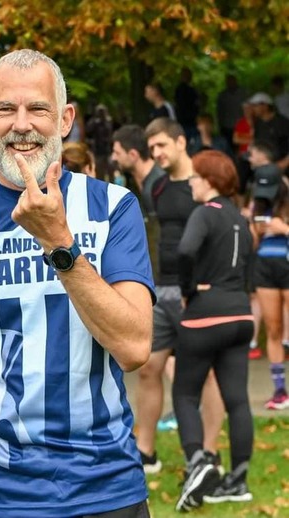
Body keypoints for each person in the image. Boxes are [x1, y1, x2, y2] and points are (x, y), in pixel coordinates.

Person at [0, 48, 154, 518]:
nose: (22, 124)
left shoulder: (113, 207)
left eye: (38, 108)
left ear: (65, 120)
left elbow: (135, 345)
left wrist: (60, 242)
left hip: (104, 489)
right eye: (6, 109)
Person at [136, 118, 225, 475]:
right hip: (162, 290)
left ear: (181, 142)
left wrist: (211, 284)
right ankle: (145, 452)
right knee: (148, 368)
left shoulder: (204, 184)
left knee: (205, 375)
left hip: (197, 293)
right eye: (151, 148)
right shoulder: (158, 188)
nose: (156, 153)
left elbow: (222, 233)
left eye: (161, 146)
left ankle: (209, 454)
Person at [172, 151, 254, 512]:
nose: (190, 182)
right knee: (238, 399)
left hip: (205, 315)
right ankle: (237, 480)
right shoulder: (241, 219)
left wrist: (188, 290)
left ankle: (198, 463)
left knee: (185, 395)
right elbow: (247, 272)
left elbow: (186, 251)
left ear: (210, 181)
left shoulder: (204, 213)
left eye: (195, 177)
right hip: (241, 315)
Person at [247, 141, 289, 410]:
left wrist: (282, 228)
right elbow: (251, 243)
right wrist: (256, 230)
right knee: (273, 328)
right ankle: (280, 391)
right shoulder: (257, 203)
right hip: (264, 267)